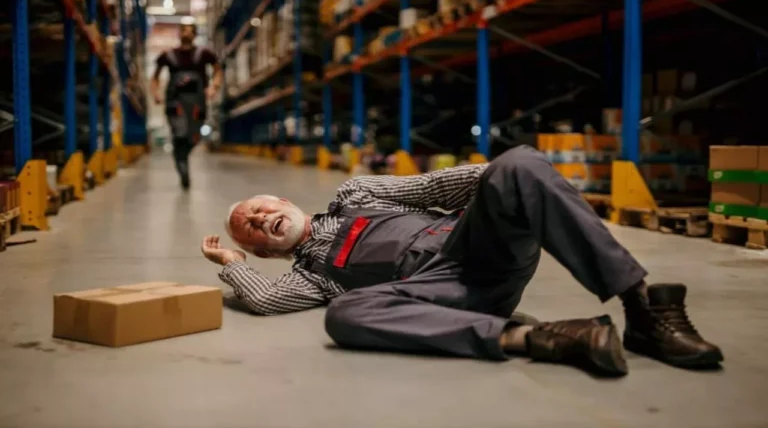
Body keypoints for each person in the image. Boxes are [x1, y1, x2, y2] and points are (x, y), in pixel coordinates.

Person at [201, 145, 723, 376]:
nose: (260, 216)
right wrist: (229, 259)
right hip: (450, 294)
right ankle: (545, 337)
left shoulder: (356, 192)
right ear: (263, 249)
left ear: (286, 204)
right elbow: (266, 300)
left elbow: (437, 185)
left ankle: (642, 311)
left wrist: (504, 183)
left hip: (475, 245)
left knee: (518, 162)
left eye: (262, 206)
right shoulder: (309, 277)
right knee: (346, 315)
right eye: (249, 226)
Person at [151, 23, 222, 190]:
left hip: (197, 102)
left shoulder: (204, 54)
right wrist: (156, 93)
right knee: (180, 133)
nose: (186, 33)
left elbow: (218, 70)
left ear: (195, 34)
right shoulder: (168, 55)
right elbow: (155, 77)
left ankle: (180, 156)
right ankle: (183, 167)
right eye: (183, 30)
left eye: (190, 30)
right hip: (175, 102)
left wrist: (214, 87)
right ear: (179, 33)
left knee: (194, 136)